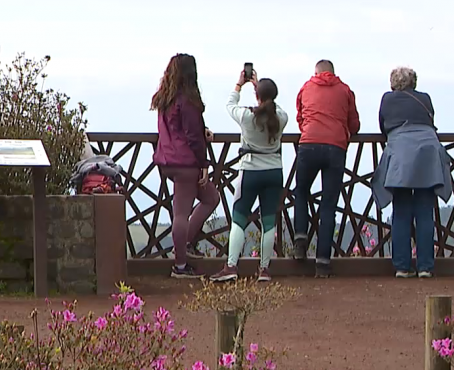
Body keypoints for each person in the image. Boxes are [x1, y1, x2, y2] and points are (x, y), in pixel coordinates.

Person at [372, 67, 453, 278]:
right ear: (413, 82)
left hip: (401, 153)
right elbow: (431, 121)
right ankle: (425, 267)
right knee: (425, 212)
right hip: (428, 151)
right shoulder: (424, 98)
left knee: (401, 211)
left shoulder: (387, 100)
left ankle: (401, 266)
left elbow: (383, 126)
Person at [211, 69, 289, 283]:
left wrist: (239, 85)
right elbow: (274, 107)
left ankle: (231, 266)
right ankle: (264, 269)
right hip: (274, 172)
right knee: (269, 221)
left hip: (250, 171)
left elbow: (230, 105)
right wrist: (259, 87)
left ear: (257, 97)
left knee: (239, 218)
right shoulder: (282, 118)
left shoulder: (247, 117)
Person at [150, 53, 219, 279]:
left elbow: (181, 127)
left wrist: (202, 129)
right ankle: (180, 264)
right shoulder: (188, 100)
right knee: (182, 213)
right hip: (186, 162)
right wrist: (204, 164)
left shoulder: (165, 98)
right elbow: (191, 136)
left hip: (167, 160)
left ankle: (182, 246)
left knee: (211, 198)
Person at [292, 59, 360, 278]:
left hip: (309, 144)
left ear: (316, 72)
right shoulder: (345, 90)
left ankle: (300, 237)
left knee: (301, 192)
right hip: (336, 148)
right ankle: (323, 262)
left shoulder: (306, 87)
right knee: (329, 204)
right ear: (332, 72)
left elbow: (300, 119)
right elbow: (354, 125)